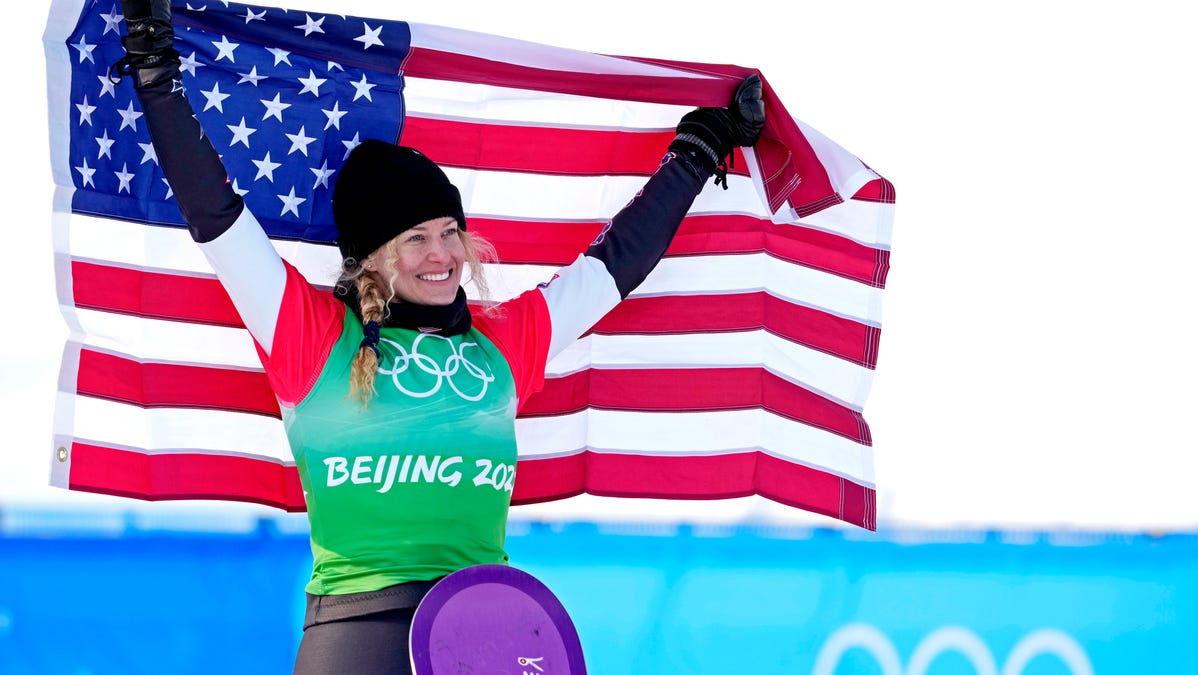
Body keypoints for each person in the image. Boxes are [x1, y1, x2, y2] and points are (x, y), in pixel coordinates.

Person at [112, 1, 764, 672]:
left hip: (487, 630)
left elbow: (614, 264)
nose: (441, 253)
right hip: (356, 631)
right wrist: (157, 75)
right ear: (372, 257)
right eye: (416, 238)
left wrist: (696, 152)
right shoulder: (307, 334)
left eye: (449, 231)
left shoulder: (504, 342)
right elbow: (214, 214)